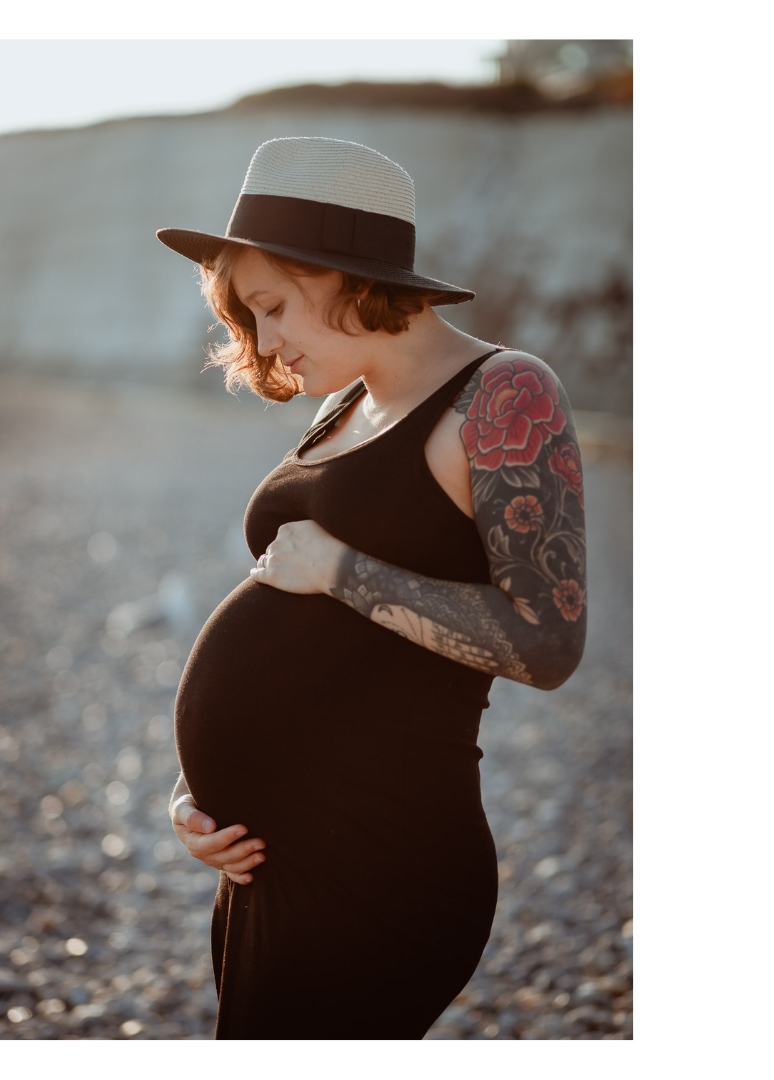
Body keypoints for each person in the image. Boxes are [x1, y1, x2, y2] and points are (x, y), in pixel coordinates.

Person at [155, 137, 587, 1039]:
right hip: (271, 863)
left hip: (381, 863)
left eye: (271, 307)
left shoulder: (505, 395)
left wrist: (345, 574)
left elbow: (549, 645)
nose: (264, 343)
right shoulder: (347, 402)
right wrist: (201, 795)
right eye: (248, 319)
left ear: (341, 273)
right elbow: (293, 629)